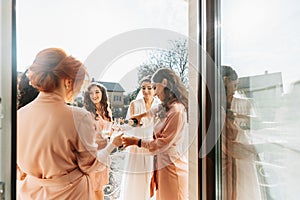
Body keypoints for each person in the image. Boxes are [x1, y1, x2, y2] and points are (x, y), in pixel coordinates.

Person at [17, 48, 123, 199]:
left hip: (31, 194)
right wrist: (112, 144)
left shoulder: (19, 116)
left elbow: (18, 170)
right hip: (70, 194)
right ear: (67, 81)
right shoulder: (78, 117)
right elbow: (91, 165)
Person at [122, 68, 188, 200]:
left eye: (154, 87)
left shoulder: (177, 111)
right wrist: (141, 115)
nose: (154, 93)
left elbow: (162, 144)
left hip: (171, 168)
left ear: (164, 83)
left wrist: (136, 142)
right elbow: (155, 110)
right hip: (162, 166)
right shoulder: (168, 105)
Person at [119, 75, 160, 200]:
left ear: (154, 89)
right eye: (143, 88)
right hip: (136, 145)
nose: (146, 91)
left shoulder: (160, 105)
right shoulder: (134, 104)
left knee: (149, 178)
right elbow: (129, 125)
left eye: (149, 88)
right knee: (135, 178)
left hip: (151, 144)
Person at [84, 82, 112, 200]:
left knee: (99, 187)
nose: (94, 95)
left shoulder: (107, 111)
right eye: (91, 93)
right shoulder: (86, 113)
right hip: (93, 154)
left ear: (102, 93)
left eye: (97, 92)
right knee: (93, 188)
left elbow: (110, 130)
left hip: (104, 152)